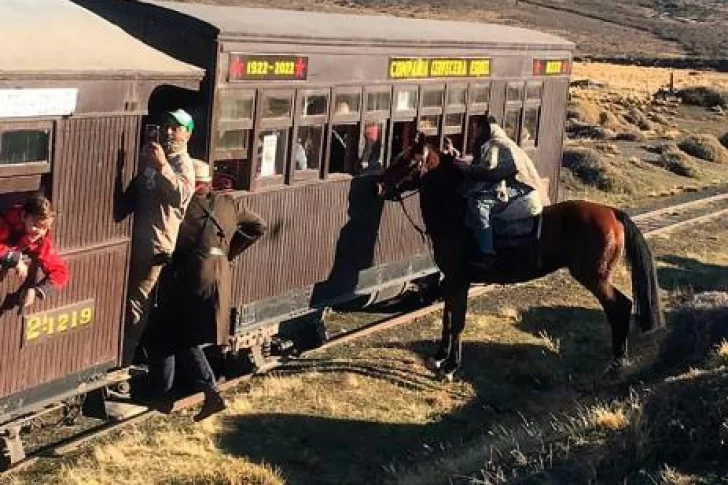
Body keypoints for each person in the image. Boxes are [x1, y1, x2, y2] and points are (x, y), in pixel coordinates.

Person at [147, 159, 267, 421]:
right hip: (220, 275)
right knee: (178, 333)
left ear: (190, 182)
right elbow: (259, 226)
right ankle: (170, 394)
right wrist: (227, 252)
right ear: (208, 182)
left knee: (173, 332)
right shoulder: (228, 203)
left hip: (192, 276)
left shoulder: (183, 206)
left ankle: (192, 391)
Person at [122, 109, 196, 366]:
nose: (168, 132)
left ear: (187, 134)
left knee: (136, 303)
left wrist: (162, 165)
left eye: (175, 128)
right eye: (165, 126)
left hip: (155, 245)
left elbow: (179, 197)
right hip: (136, 238)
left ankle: (126, 358)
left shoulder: (183, 164)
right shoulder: (153, 155)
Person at [448, 117, 550, 269]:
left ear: (483, 129)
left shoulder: (495, 144)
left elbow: (490, 170)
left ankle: (487, 254)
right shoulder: (503, 142)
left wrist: (468, 169)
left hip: (522, 189)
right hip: (519, 186)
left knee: (479, 204)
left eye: (475, 130)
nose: (473, 135)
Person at [0, 195, 69, 307]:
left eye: (45, 227)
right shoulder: (4, 223)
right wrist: (14, 259)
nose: (40, 232)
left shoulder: (40, 240)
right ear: (23, 216)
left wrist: (37, 291)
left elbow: (60, 271)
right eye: (36, 225)